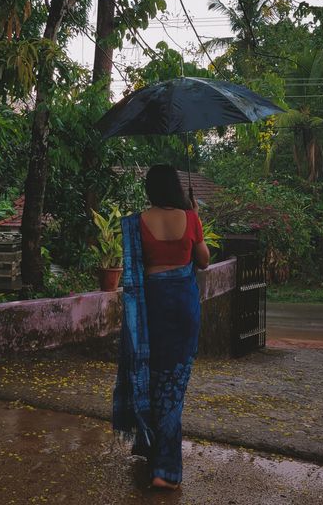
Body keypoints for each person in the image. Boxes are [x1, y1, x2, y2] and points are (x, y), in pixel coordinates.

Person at [113, 164, 209, 490]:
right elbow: (204, 260)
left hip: (150, 307)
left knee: (152, 378)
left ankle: (151, 447)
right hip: (183, 306)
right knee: (174, 385)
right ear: (176, 187)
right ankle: (165, 470)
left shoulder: (139, 222)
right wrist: (195, 218)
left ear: (151, 190)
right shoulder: (191, 218)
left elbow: (134, 268)